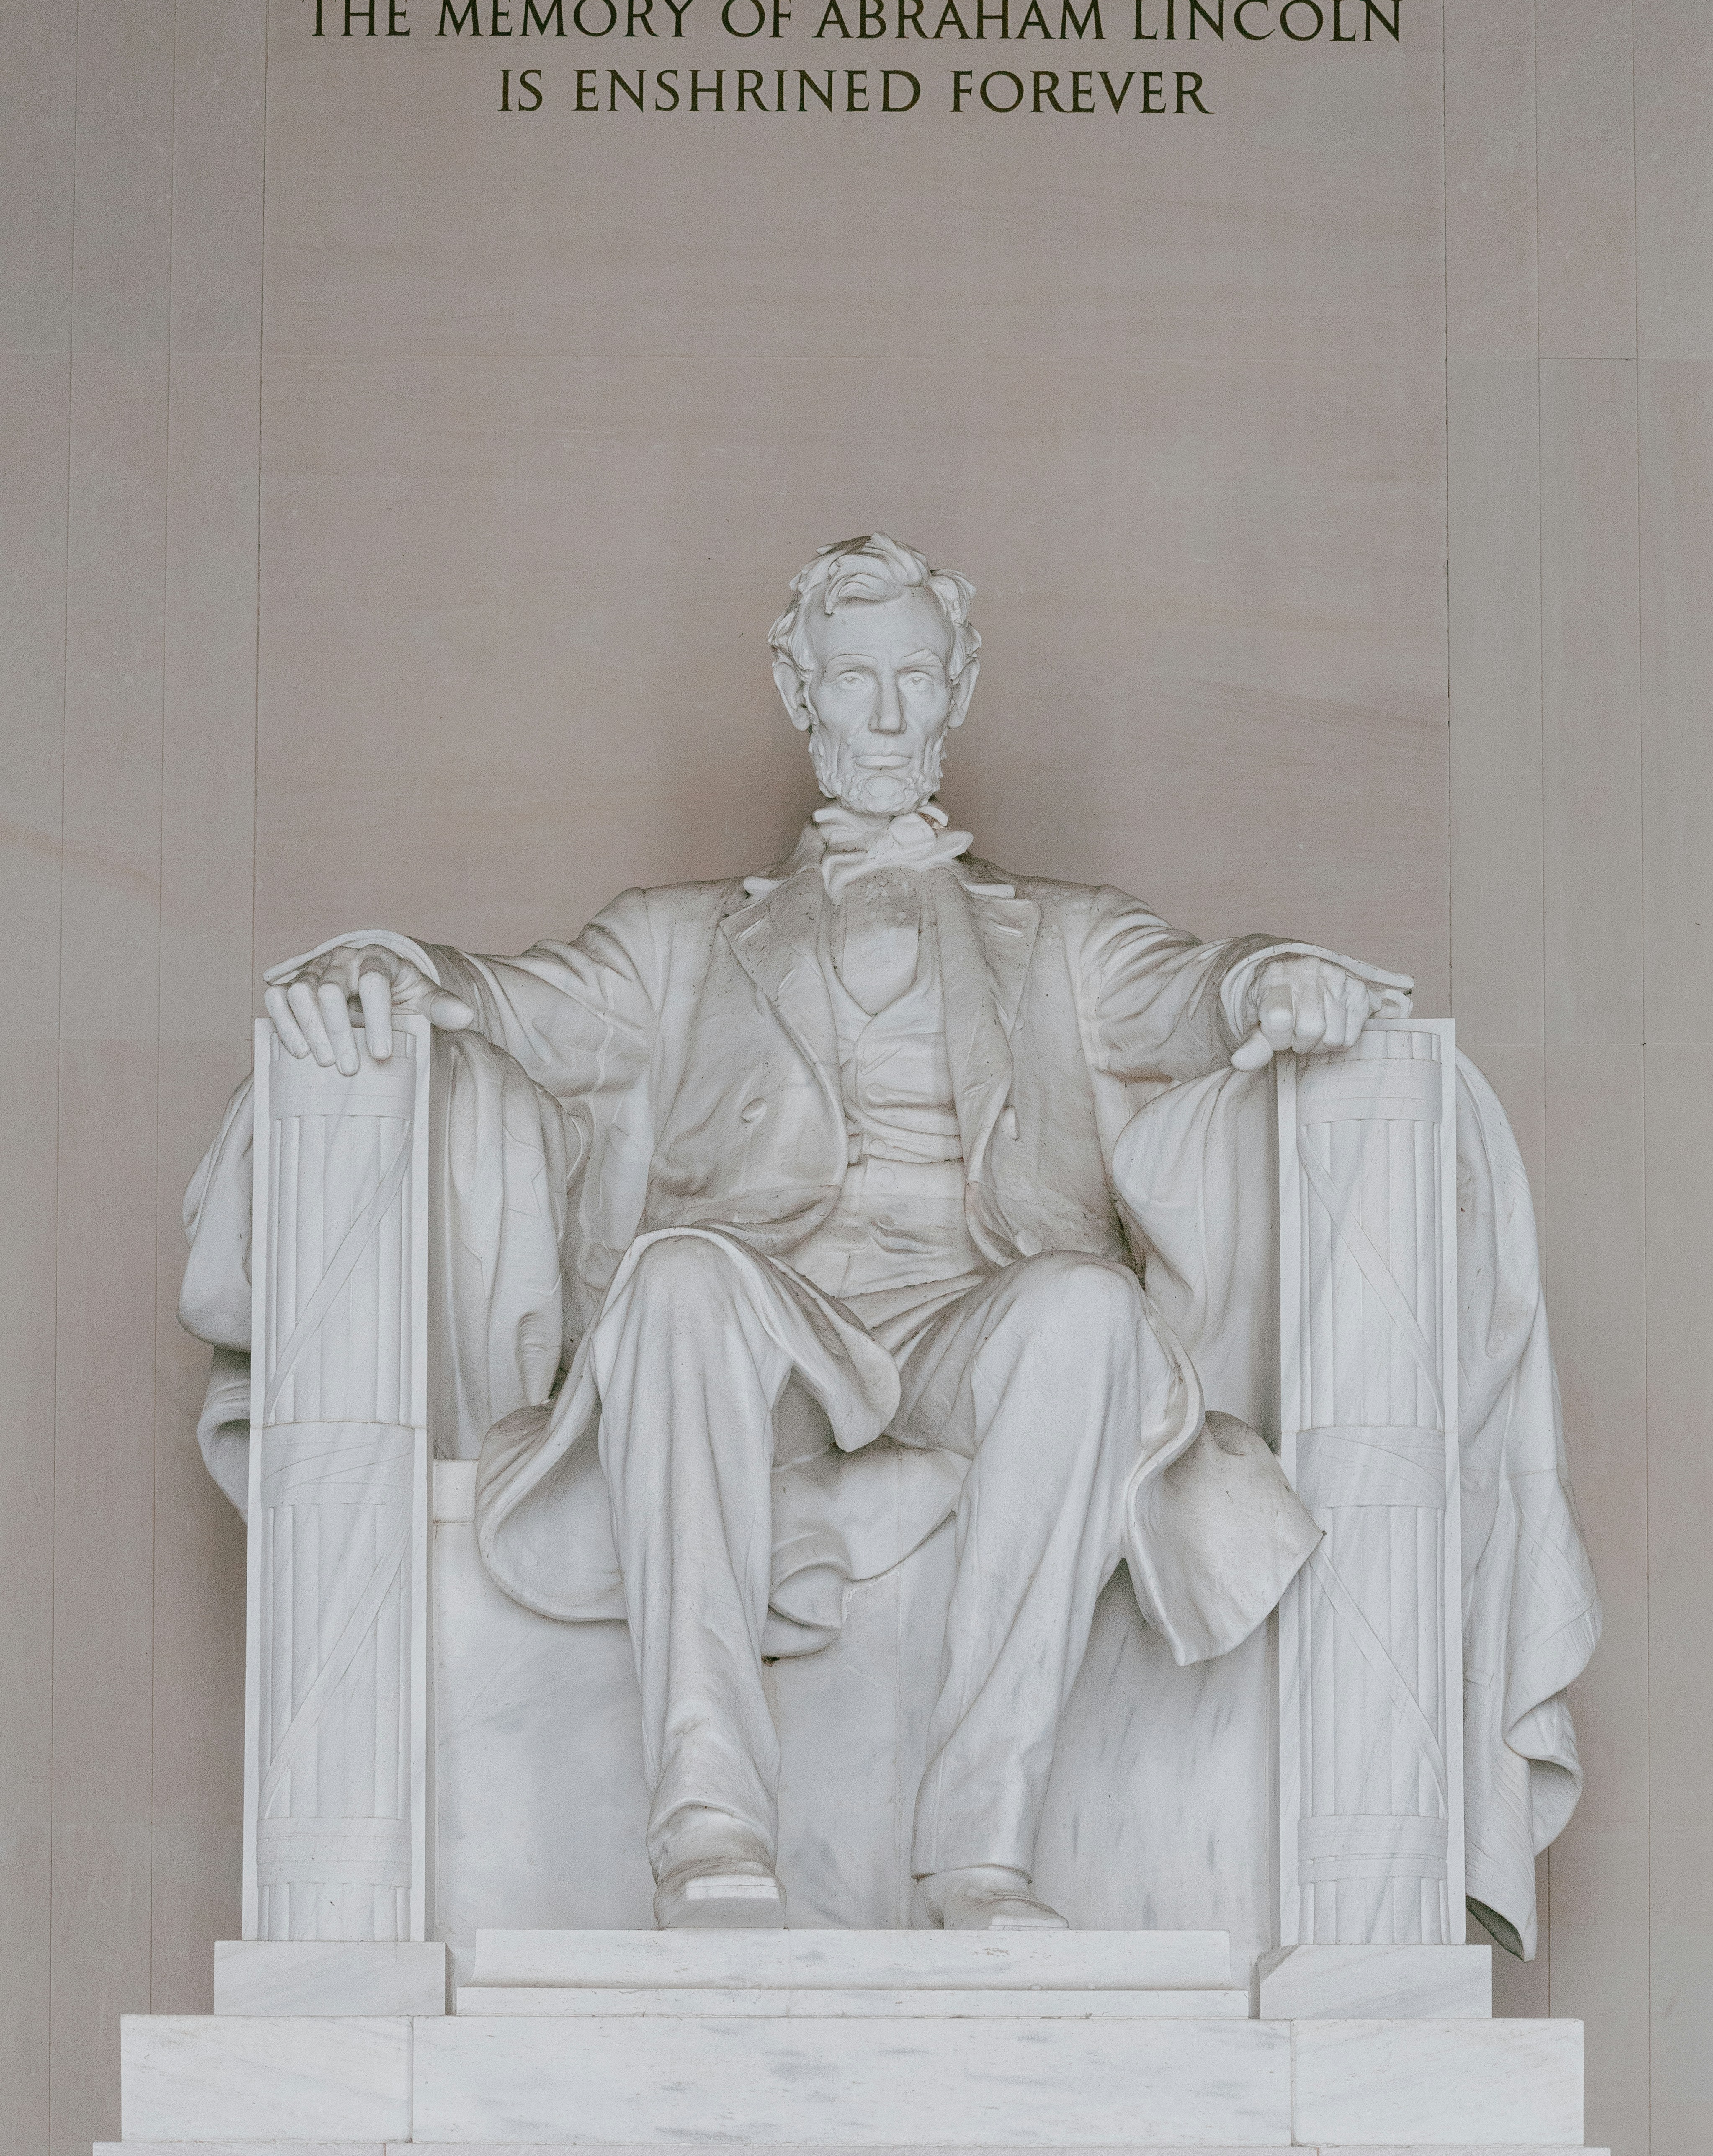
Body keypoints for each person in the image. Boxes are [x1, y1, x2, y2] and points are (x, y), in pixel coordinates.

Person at [259, 533, 1415, 1933]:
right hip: (767, 1326)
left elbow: (1193, 994)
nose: (883, 714)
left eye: (913, 678)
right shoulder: (677, 941)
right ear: (797, 692)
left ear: (958, 690)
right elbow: (507, 1005)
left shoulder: (1061, 936)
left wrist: (1271, 977)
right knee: (676, 1276)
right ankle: (708, 1826)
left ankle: (978, 1856)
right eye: (851, 679)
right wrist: (395, 964)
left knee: (1087, 1310)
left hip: (963, 1319)